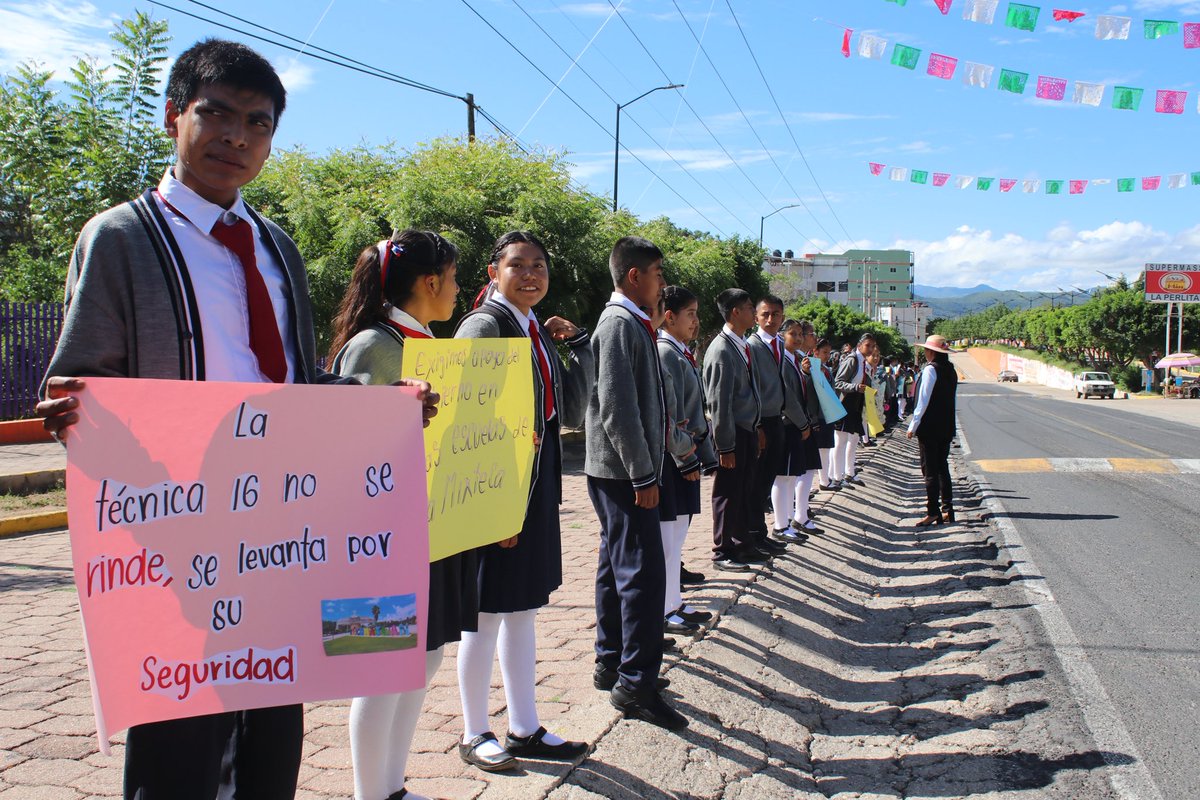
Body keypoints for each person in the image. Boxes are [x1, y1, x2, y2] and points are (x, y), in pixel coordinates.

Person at [34, 39, 439, 800]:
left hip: (279, 531)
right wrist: (71, 408)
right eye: (214, 115)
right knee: (180, 752)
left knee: (270, 741)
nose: (236, 138)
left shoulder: (275, 247)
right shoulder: (121, 237)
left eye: (257, 124)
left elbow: (293, 386)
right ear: (172, 118)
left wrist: (382, 411)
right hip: (179, 528)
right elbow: (82, 377)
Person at [328, 230, 474, 800]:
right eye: (456, 279)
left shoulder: (427, 341)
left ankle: (393, 787)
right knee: (378, 667)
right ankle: (371, 793)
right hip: (376, 542)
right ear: (430, 281)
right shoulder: (374, 346)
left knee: (423, 660)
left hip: (430, 532)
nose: (460, 292)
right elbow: (343, 445)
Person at [453, 231, 593, 769]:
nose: (531, 274)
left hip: (534, 486)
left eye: (539, 265)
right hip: (498, 490)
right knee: (486, 614)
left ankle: (524, 726)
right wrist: (491, 506)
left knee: (522, 610)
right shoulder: (484, 326)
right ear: (494, 273)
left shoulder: (532, 326)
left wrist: (573, 346)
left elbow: (572, 410)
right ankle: (472, 731)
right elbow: (468, 420)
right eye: (518, 265)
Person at [585, 236, 688, 731]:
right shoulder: (620, 323)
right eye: (657, 274)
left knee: (615, 565)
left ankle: (613, 663)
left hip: (622, 469)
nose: (661, 283)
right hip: (625, 472)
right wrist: (644, 474)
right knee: (643, 576)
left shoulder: (628, 322)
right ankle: (636, 682)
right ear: (634, 277)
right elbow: (616, 407)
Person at [656, 286, 717, 635]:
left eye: (696, 313)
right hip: (674, 458)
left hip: (687, 454)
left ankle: (674, 602)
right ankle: (665, 610)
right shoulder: (667, 353)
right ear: (670, 316)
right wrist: (686, 457)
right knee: (667, 542)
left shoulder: (681, 352)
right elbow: (671, 414)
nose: (695, 321)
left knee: (677, 537)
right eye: (690, 314)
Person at [704, 288, 767, 572]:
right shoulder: (721, 349)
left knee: (743, 490)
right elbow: (719, 402)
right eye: (750, 307)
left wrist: (757, 426)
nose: (754, 312)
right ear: (735, 312)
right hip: (733, 433)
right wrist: (725, 445)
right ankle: (722, 550)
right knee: (727, 492)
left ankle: (741, 544)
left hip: (747, 429)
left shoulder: (740, 343)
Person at [745, 295, 790, 557]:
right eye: (766, 314)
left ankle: (761, 533)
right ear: (757, 317)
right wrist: (758, 423)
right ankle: (752, 536)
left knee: (767, 479)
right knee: (756, 482)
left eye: (776, 314)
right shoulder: (752, 345)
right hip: (761, 421)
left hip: (777, 419)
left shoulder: (780, 344)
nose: (771, 319)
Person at [768, 319, 816, 543]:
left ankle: (787, 521)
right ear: (782, 335)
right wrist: (802, 423)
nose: (797, 338)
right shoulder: (783, 361)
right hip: (788, 424)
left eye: (800, 334)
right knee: (783, 477)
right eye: (792, 334)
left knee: (789, 477)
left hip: (796, 425)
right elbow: (788, 397)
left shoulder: (795, 359)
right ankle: (780, 525)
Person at [907, 335, 959, 527]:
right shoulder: (951, 370)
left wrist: (913, 425)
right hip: (946, 426)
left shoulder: (931, 370)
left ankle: (933, 511)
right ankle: (947, 509)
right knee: (942, 467)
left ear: (931, 352)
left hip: (929, 427)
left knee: (929, 470)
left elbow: (923, 400)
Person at [832, 334, 875, 486]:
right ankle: (837, 477)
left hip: (856, 404)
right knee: (841, 441)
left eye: (872, 346)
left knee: (854, 439)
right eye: (868, 345)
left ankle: (849, 473)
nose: (870, 349)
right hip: (845, 403)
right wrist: (855, 387)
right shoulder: (852, 360)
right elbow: (838, 382)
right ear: (859, 345)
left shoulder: (864, 362)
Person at [808, 338, 839, 491]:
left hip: (827, 414)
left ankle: (825, 479)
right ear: (815, 352)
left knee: (826, 448)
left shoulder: (826, 369)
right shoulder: (812, 368)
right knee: (821, 450)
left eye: (829, 352)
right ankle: (823, 480)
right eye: (824, 352)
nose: (827, 355)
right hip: (818, 415)